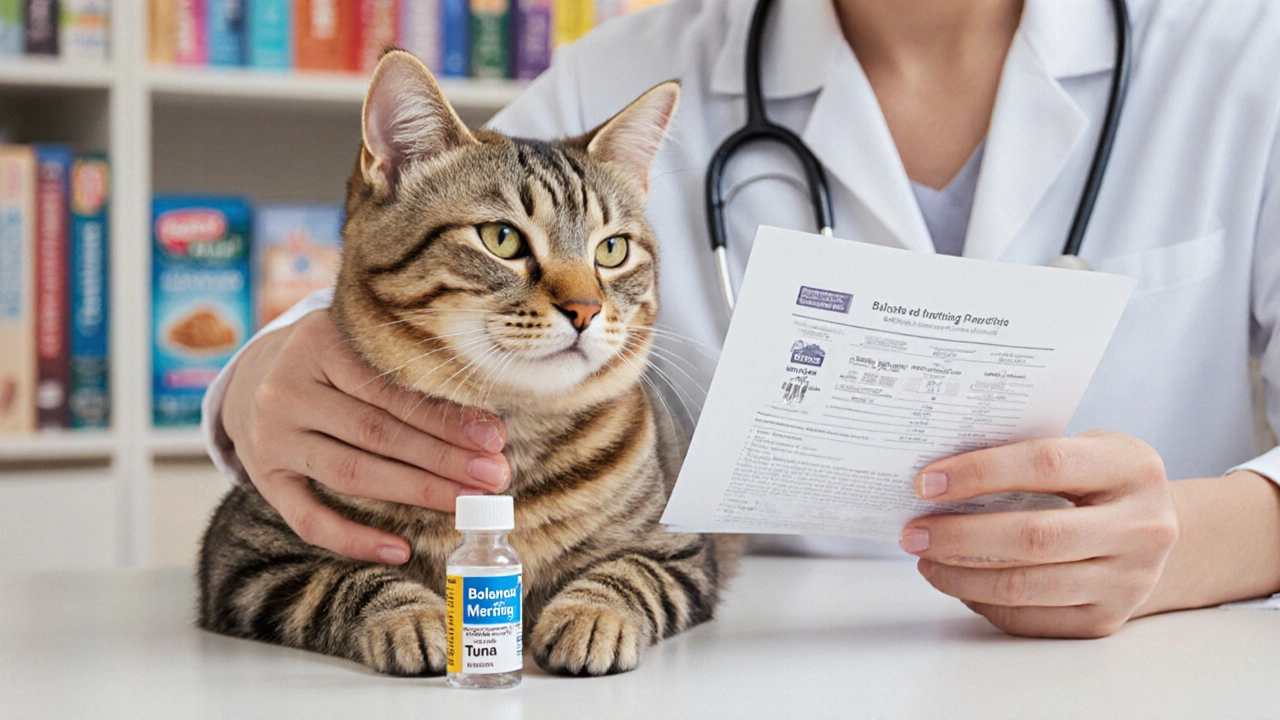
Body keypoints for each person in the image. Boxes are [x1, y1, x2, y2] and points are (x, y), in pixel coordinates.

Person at [203, 0, 1280, 638]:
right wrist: (255, 382)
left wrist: (1195, 544)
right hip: (734, 664)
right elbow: (385, 268)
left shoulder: (1242, 54)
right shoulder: (637, 67)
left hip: (1148, 671)